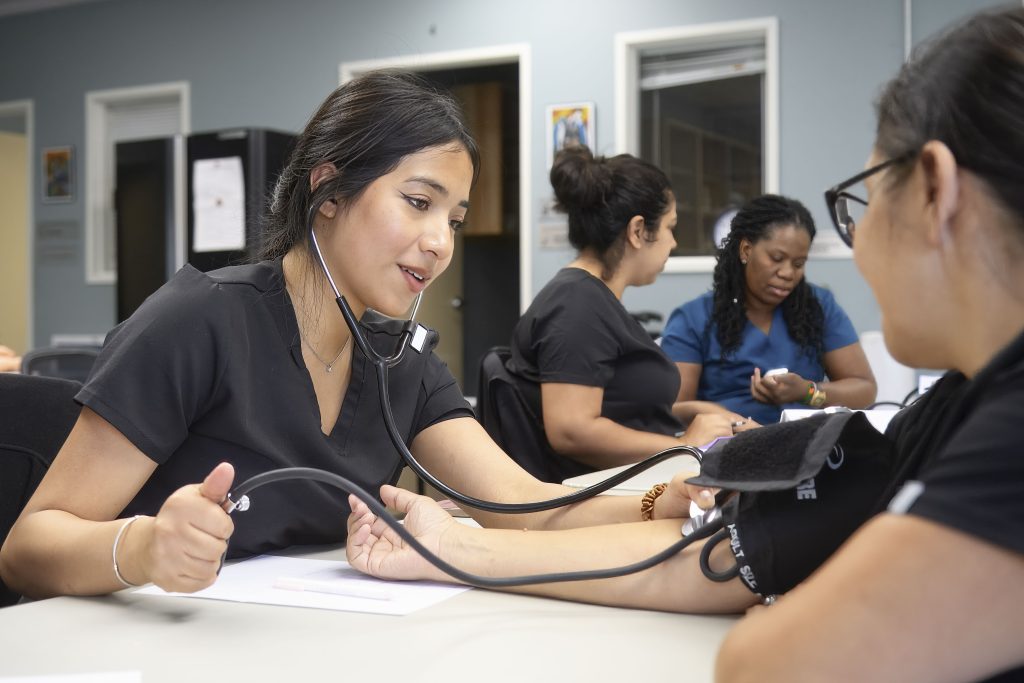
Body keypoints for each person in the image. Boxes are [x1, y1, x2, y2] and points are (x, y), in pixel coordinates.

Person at [344, 8, 1024, 682]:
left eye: (863, 204)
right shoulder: (954, 409)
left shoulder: (1006, 436)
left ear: (936, 189)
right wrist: (455, 547)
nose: (859, 246)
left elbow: (766, 658)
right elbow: (707, 552)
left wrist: (784, 604)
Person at [0, 71, 701, 600]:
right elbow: (27, 546)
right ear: (329, 191)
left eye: (452, 219)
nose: (439, 243)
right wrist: (147, 546)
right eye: (419, 203)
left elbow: (521, 509)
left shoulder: (401, 359)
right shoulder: (200, 319)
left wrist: (652, 504)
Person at [504, 146, 738, 481]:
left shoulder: (591, 299)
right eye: (671, 227)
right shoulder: (576, 305)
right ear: (639, 230)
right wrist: (683, 444)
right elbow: (572, 430)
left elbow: (620, 407)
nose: (673, 242)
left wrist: (691, 413)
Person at [660, 194, 877, 425]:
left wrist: (807, 392)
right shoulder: (693, 319)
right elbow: (672, 410)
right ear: (745, 250)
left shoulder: (819, 307)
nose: (787, 273)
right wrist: (725, 418)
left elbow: (864, 389)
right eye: (776, 258)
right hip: (726, 448)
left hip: (807, 449)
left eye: (798, 264)